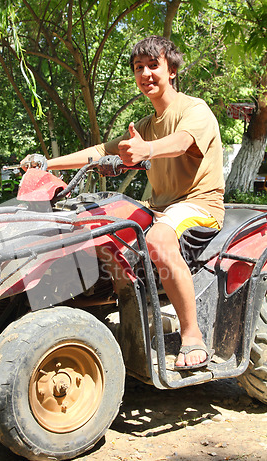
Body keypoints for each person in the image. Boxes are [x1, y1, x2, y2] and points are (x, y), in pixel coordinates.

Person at [22, 35, 225, 370]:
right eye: (138, 67)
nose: (145, 73)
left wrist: (148, 150)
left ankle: (192, 337)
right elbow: (101, 150)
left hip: (198, 205)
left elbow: (181, 141)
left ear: (171, 70)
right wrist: (46, 163)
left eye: (152, 65)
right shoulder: (145, 125)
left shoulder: (194, 110)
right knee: (96, 230)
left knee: (159, 238)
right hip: (159, 207)